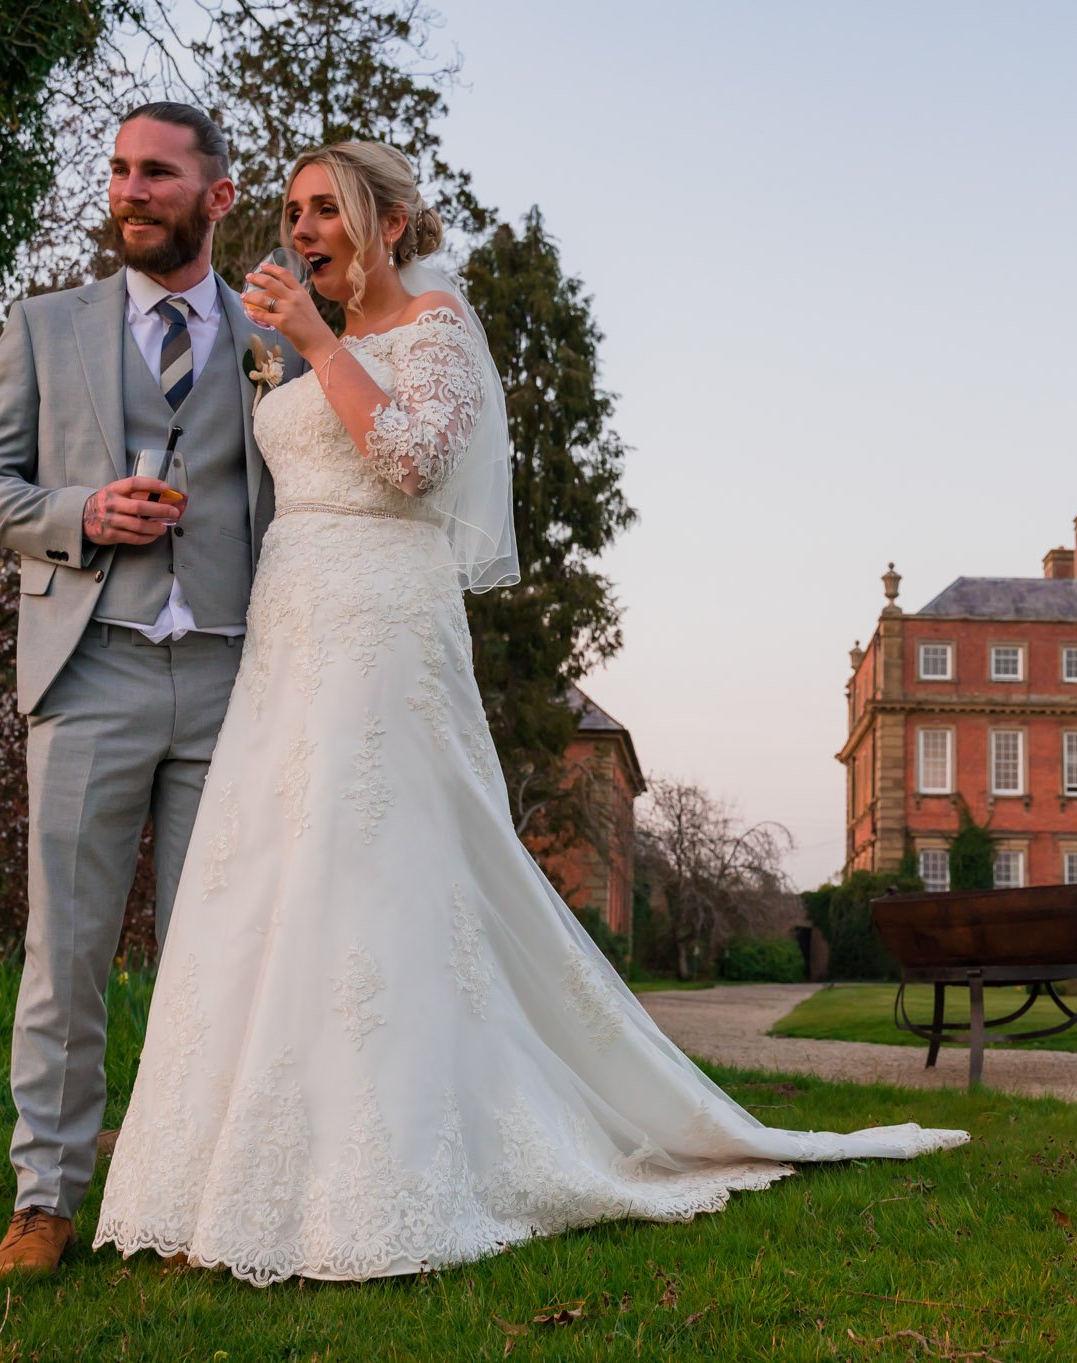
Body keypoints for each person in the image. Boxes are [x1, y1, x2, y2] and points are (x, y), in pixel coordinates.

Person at [91, 141, 967, 1285]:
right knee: (270, 874)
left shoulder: (438, 327)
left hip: (383, 623)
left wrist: (308, 342)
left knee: (373, 873)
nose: (302, 229)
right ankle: (238, 1165)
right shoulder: (317, 347)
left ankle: (389, 1169)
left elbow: (410, 461)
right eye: (295, 210)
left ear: (388, 222)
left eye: (327, 210)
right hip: (290, 626)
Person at [0, 102, 299, 1279]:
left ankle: (195, 1187)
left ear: (215, 193)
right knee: (70, 947)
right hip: (88, 670)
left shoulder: (276, 341)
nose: (130, 191)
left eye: (157, 173)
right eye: (118, 172)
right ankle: (44, 1198)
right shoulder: (45, 328)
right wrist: (76, 517)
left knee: (218, 949)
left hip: (230, 678)